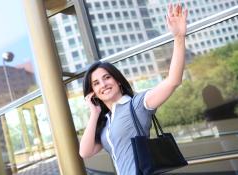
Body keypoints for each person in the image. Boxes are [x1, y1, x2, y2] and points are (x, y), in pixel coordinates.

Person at [79, 2, 188, 175]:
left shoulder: (137, 104)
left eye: (107, 78)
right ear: (93, 92)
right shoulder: (106, 121)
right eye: (96, 83)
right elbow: (85, 152)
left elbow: (173, 81)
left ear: (118, 81)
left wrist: (179, 38)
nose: (103, 85)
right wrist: (94, 113)